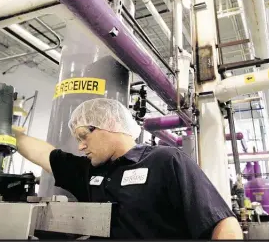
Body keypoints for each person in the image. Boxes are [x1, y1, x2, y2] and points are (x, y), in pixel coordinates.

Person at [14, 98, 243, 239]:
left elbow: (224, 224)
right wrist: (9, 133)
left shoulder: (166, 160)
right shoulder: (89, 171)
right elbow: (43, 154)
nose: (81, 145)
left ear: (110, 124)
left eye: (84, 136)